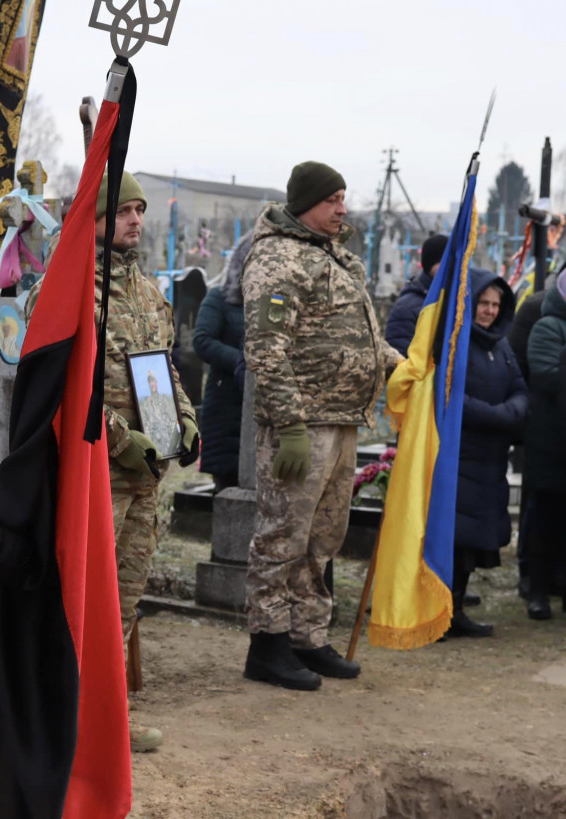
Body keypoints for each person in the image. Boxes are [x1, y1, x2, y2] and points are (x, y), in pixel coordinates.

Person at [27, 171, 198, 751]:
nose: (135, 220)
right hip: (94, 475)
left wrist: (183, 417)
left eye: (139, 210)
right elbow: (64, 387)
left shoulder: (146, 290)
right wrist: (120, 436)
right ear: (94, 220)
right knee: (80, 601)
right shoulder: (68, 287)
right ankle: (62, 723)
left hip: (145, 477)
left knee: (122, 602)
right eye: (122, 210)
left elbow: (163, 365)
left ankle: (107, 721)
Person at [241, 161, 401, 690]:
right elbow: (267, 349)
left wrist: (400, 364)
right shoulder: (276, 259)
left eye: (343, 198)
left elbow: (356, 336)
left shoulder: (339, 259)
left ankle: (307, 638)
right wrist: (288, 426)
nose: (342, 209)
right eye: (332, 199)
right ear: (306, 203)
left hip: (343, 420)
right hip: (301, 426)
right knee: (282, 535)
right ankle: (267, 646)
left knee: (322, 539)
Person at [446, 269, 527, 637]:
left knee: (471, 544)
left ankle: (456, 609)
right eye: (483, 303)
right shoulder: (454, 342)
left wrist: (512, 412)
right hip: (459, 457)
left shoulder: (501, 344)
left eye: (495, 304)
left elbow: (520, 389)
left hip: (489, 459)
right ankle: (439, 613)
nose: (490, 311)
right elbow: (447, 395)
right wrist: (495, 416)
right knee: (452, 540)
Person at [523, 269, 566, 620]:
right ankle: (538, 591)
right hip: (551, 441)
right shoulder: (547, 327)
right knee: (545, 519)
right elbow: (547, 376)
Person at [192, 231, 249, 491]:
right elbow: (203, 340)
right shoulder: (220, 298)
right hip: (226, 403)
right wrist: (244, 364)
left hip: (257, 405)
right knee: (228, 484)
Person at [384, 233, 448, 357]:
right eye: (443, 263)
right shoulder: (406, 308)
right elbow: (401, 359)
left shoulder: (457, 301)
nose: (449, 268)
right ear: (430, 265)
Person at [138, 369, 181, 456]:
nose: (152, 384)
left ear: (156, 383)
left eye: (153, 381)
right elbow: (145, 429)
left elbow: (174, 422)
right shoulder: (146, 404)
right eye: (150, 382)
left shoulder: (165, 400)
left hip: (169, 446)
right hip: (155, 448)